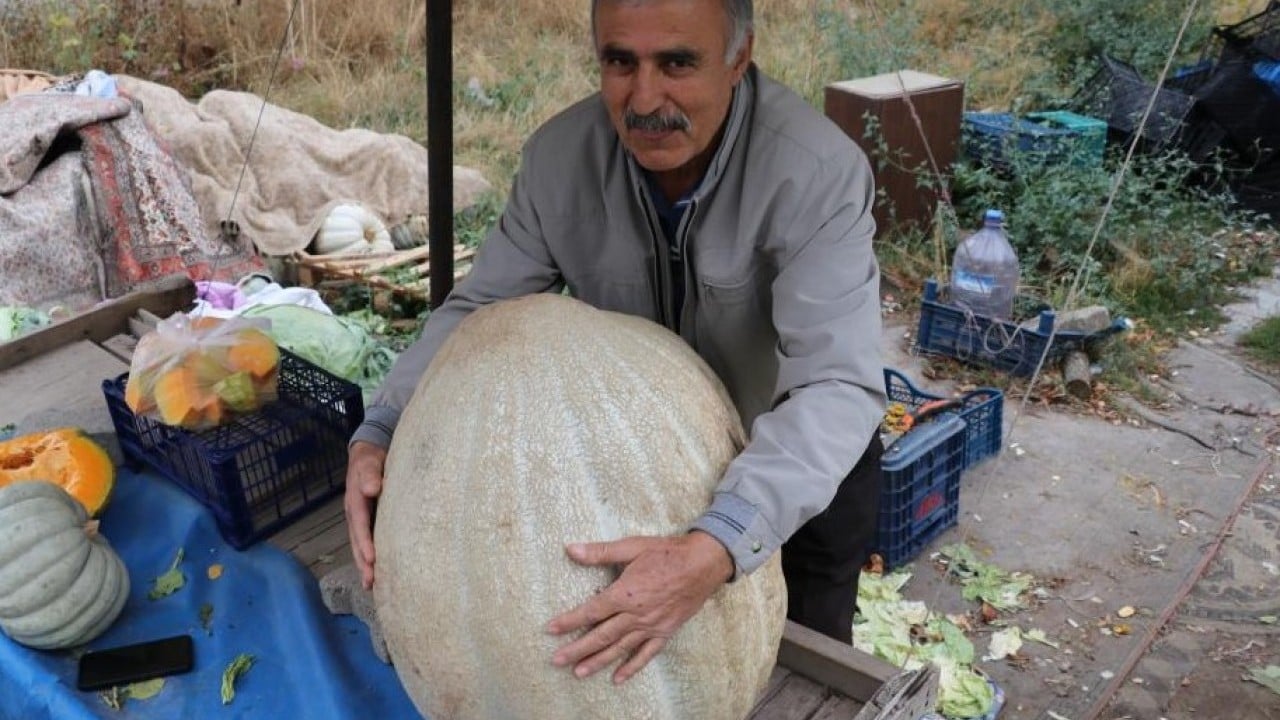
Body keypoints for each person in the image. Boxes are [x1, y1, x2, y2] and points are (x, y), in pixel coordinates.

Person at [344, 0, 885, 686]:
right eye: (620, 62)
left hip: (800, 461)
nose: (645, 98)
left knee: (802, 669)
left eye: (678, 63)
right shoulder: (559, 160)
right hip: (654, 462)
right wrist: (383, 426)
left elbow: (836, 383)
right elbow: (481, 307)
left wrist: (720, 541)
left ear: (738, 58)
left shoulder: (815, 172)